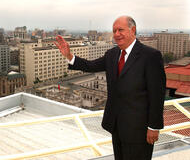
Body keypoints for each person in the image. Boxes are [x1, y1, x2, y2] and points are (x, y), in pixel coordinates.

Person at [54, 16, 166, 160]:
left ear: (133, 30)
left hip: (139, 129)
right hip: (116, 126)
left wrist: (154, 127)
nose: (117, 34)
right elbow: (90, 66)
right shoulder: (112, 54)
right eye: (114, 31)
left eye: (121, 30)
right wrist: (69, 55)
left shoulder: (150, 56)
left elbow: (157, 94)